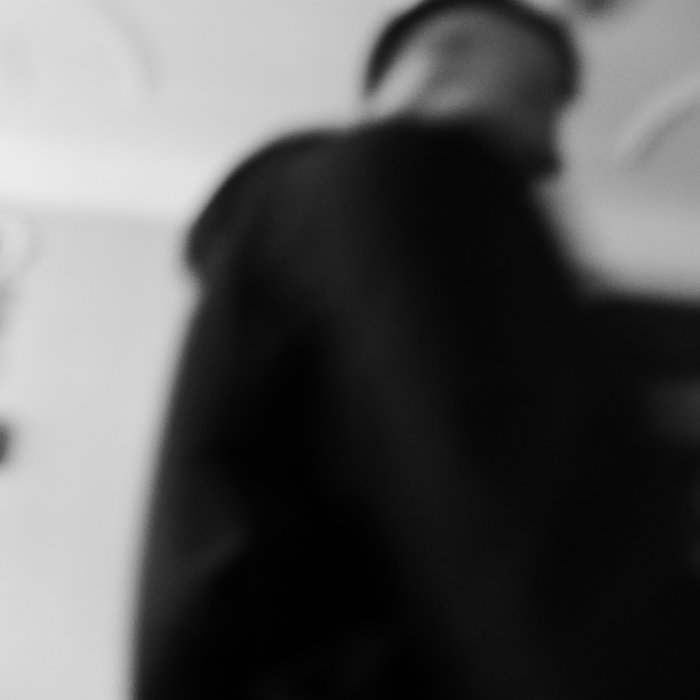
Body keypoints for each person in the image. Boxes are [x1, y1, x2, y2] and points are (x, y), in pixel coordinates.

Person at [133, 2, 699, 699]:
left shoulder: (281, 247)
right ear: (444, 58)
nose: (552, 152)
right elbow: (531, 543)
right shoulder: (409, 176)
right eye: (539, 99)